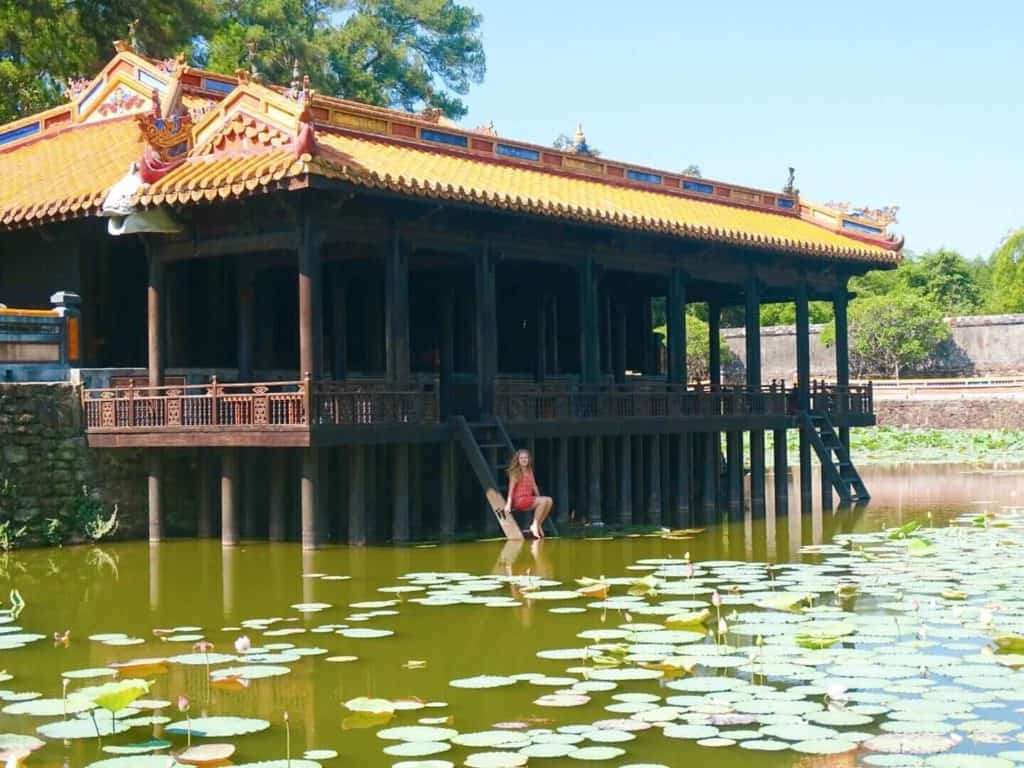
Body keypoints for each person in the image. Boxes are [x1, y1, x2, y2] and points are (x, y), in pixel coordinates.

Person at [504, 448, 553, 539]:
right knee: (543, 501)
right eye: (521, 458)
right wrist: (508, 504)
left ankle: (538, 524)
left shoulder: (529, 470)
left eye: (526, 458)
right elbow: (511, 490)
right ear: (518, 460)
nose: (524, 460)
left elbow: (534, 486)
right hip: (519, 500)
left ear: (529, 459)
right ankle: (534, 525)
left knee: (549, 500)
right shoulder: (515, 472)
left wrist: (539, 497)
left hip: (528, 498)